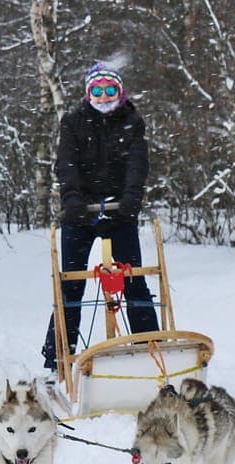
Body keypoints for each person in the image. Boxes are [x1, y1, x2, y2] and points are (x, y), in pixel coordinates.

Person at [41, 62, 159, 375]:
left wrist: (132, 197)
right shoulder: (74, 121)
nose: (104, 96)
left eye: (110, 90)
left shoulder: (131, 121)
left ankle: (150, 347)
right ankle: (57, 358)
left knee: (133, 278)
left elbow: (137, 163)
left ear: (120, 92)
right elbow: (66, 164)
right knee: (72, 284)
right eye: (97, 90)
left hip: (120, 210)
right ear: (88, 92)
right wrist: (73, 199)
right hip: (82, 213)